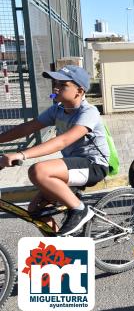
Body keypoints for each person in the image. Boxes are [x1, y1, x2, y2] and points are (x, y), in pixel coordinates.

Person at [0, 66, 109, 236]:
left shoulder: (89, 112)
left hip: (93, 166)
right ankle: (63, 247)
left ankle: (80, 210)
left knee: (39, 170)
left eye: (62, 84)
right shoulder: (57, 110)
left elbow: (62, 141)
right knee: (35, 210)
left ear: (79, 91)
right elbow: (27, 127)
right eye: (55, 83)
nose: (55, 87)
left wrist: (21, 154)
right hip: (71, 167)